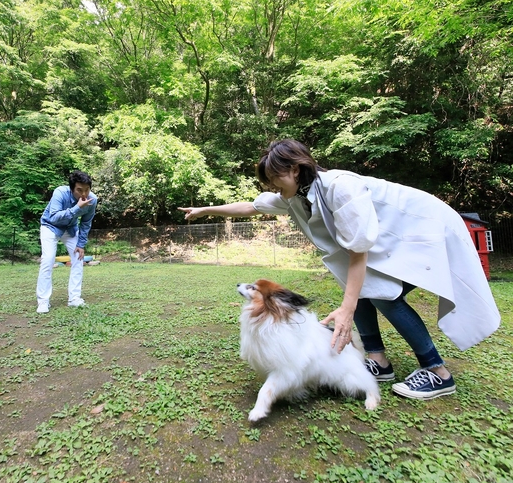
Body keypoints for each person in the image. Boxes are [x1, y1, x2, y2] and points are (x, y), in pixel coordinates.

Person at [179, 139, 500, 400]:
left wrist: (346, 309)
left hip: (424, 229)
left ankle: (437, 372)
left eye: (274, 179)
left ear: (293, 169)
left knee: (383, 296)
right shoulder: (293, 194)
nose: (272, 188)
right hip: (389, 241)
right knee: (362, 292)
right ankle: (378, 360)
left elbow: (358, 251)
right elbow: (251, 206)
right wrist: (204, 209)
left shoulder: (340, 187)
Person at [36, 170, 98, 313]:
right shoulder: (60, 193)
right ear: (72, 189)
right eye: (79, 190)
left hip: (70, 229)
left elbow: (86, 223)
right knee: (48, 259)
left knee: (78, 257)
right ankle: (43, 301)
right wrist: (77, 208)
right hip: (50, 227)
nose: (83, 194)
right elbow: (54, 217)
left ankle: (74, 298)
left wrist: (81, 244)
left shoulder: (92, 200)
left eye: (87, 190)